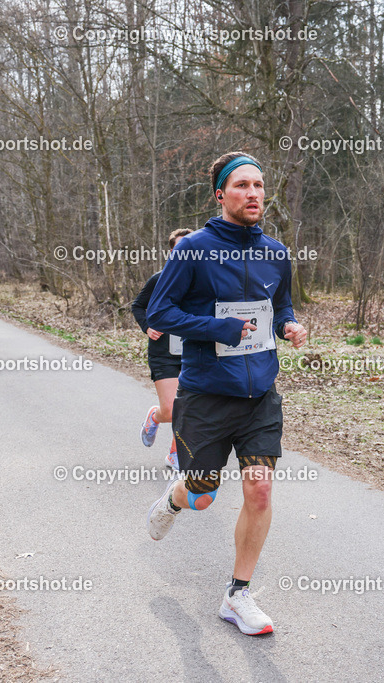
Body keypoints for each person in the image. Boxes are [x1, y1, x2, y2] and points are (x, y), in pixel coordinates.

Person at [145, 151, 308, 636]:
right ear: (220, 194)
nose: (253, 193)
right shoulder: (193, 249)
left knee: (259, 488)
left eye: (258, 185)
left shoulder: (275, 252)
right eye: (241, 185)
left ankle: (238, 594)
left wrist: (290, 325)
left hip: (260, 393)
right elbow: (159, 314)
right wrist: (218, 328)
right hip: (207, 394)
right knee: (202, 492)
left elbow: (280, 305)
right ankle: (174, 499)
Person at [132, 228, 194, 470]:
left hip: (194, 350)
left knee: (189, 407)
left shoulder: (205, 281)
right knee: (170, 409)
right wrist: (147, 327)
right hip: (164, 351)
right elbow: (138, 306)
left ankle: (175, 454)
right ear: (172, 252)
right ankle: (154, 416)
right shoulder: (159, 279)